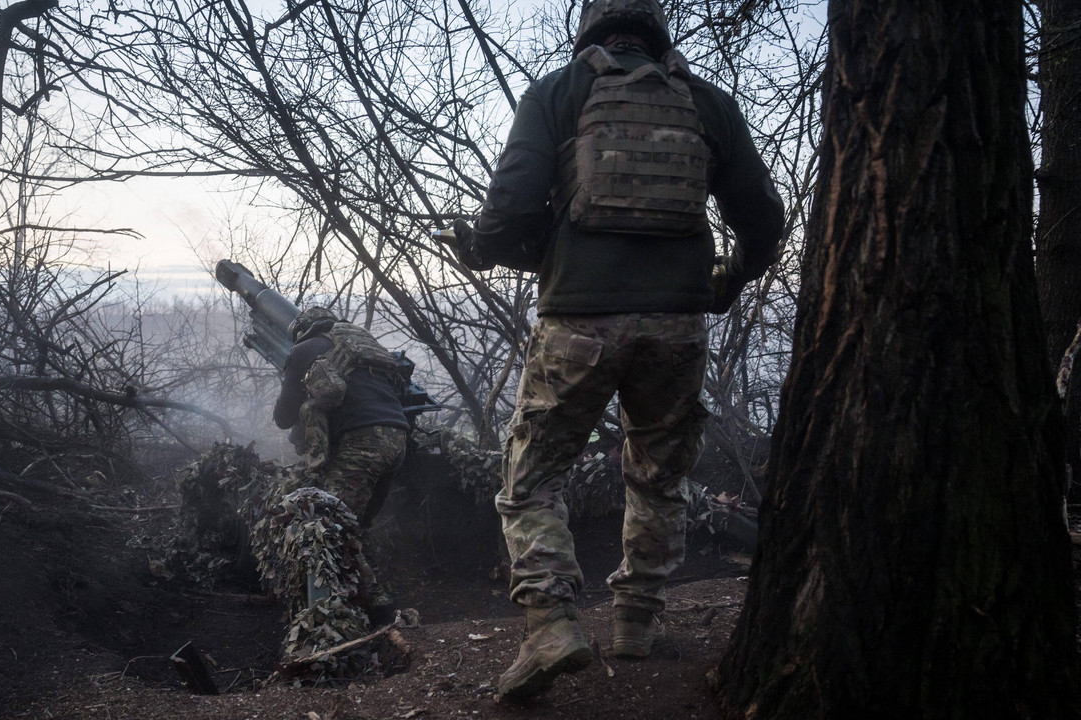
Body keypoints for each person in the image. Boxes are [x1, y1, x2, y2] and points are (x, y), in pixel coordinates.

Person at [449, 0, 785, 702]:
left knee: (531, 479)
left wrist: (486, 251)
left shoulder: (558, 92)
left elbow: (511, 210)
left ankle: (550, 623)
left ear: (590, 30)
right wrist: (725, 281)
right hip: (677, 328)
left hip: (577, 325)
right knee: (658, 476)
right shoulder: (708, 104)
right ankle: (636, 620)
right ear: (657, 30)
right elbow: (762, 219)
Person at [273, 306, 411, 609]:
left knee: (328, 522)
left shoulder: (304, 349)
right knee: (356, 522)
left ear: (301, 330)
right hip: (398, 437)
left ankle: (368, 603)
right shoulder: (362, 347)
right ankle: (362, 586)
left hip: (363, 443)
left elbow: (283, 417)